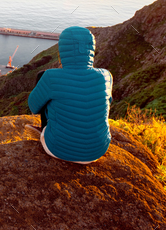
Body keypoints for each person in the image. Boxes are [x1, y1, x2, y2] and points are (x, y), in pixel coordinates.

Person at [25, 26, 113, 164]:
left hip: (58, 149)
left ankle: (44, 130)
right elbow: (107, 103)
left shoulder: (50, 76)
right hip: (98, 150)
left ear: (63, 51)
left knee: (44, 81)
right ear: (91, 50)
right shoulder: (106, 76)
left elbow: (33, 106)